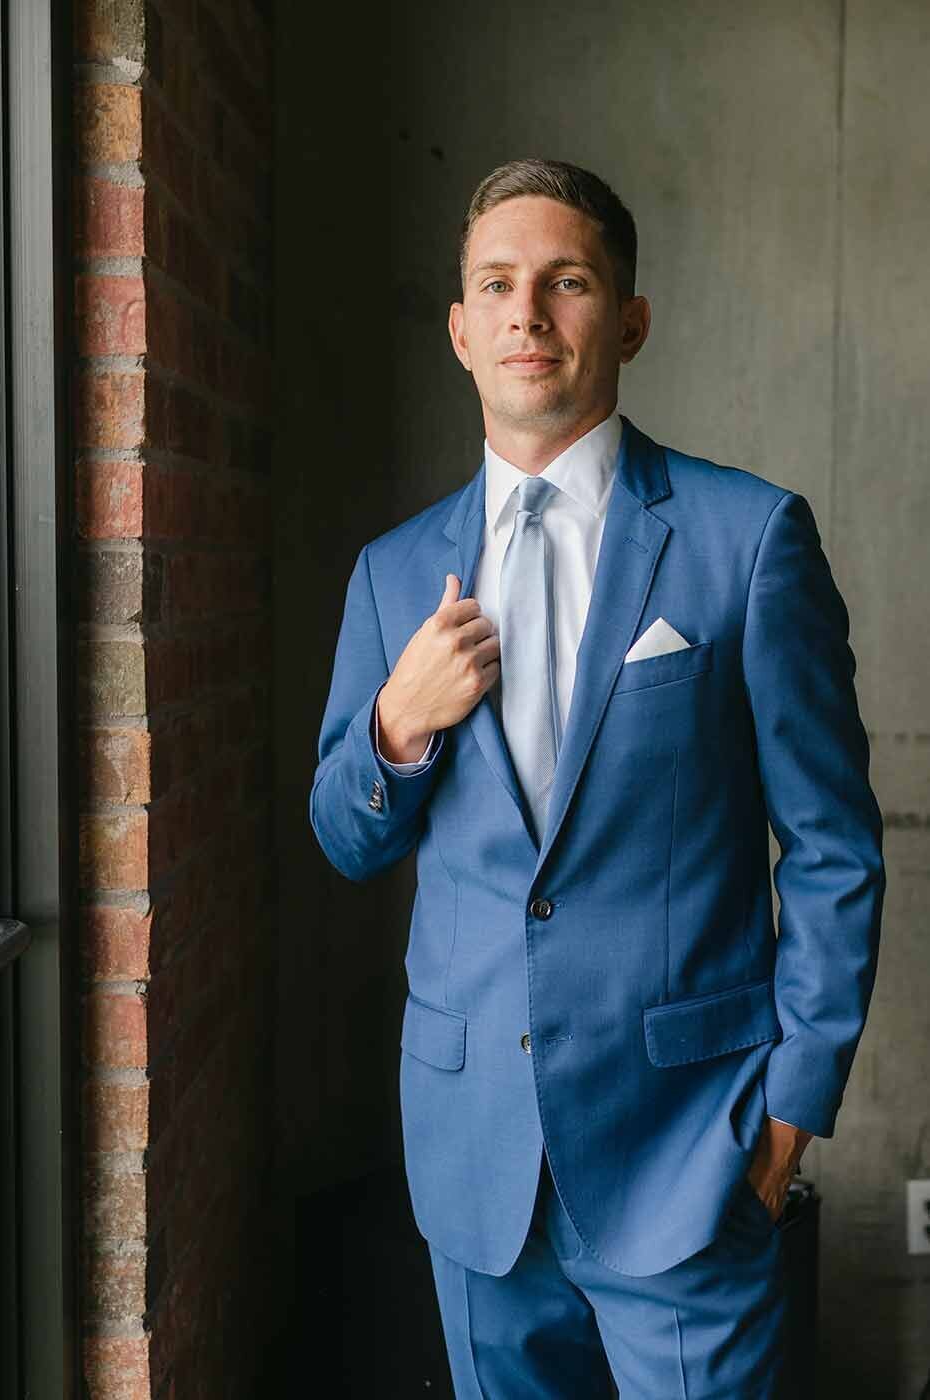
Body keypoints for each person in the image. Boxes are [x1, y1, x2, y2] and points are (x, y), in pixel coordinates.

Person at [309, 158, 886, 1398]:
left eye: (565, 281)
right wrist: (396, 728)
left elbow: (833, 843)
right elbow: (344, 838)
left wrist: (791, 1109)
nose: (528, 313)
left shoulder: (749, 539)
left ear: (626, 317)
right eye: (498, 286)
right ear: (462, 329)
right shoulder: (390, 574)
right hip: (477, 1166)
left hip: (692, 1151)